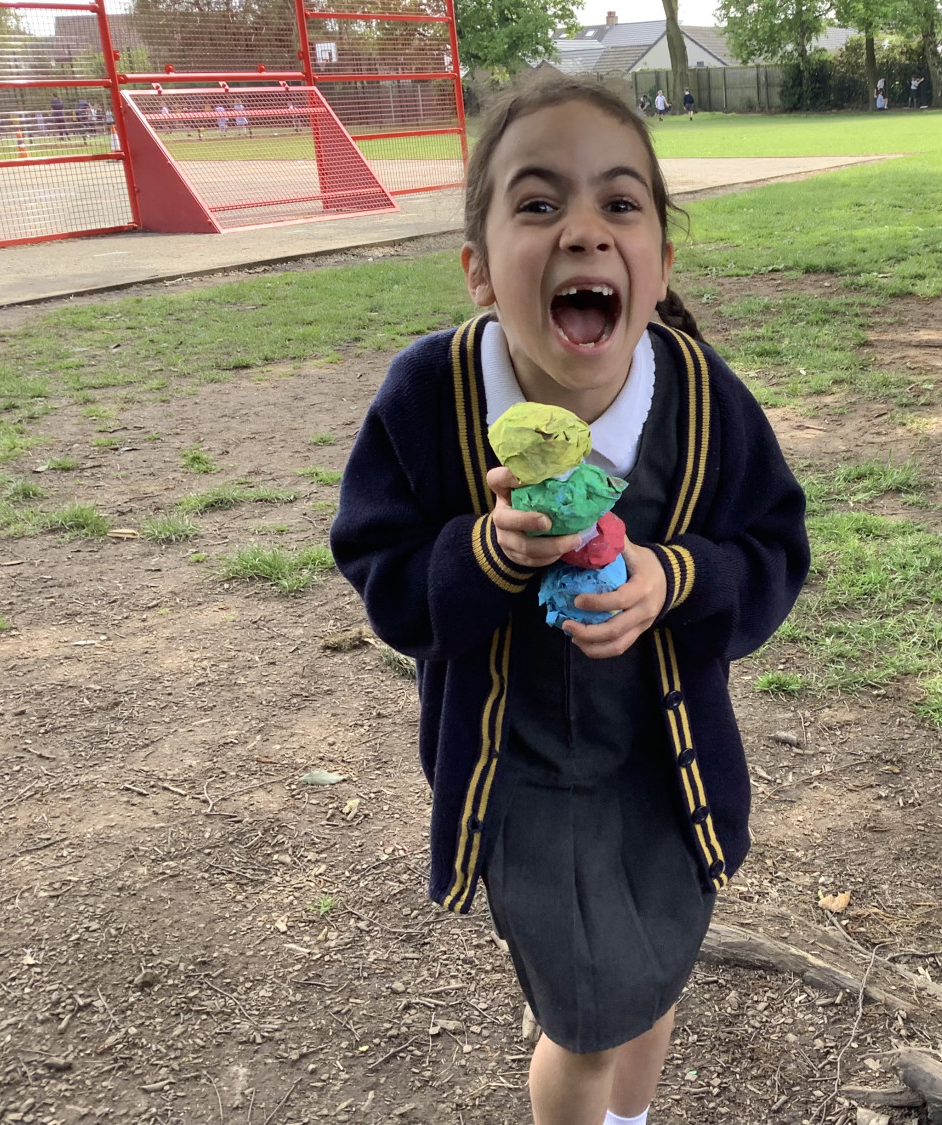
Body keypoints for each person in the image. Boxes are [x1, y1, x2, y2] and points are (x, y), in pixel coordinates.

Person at [329, 73, 809, 1125]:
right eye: (540, 202)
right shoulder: (429, 397)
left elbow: (775, 547)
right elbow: (378, 569)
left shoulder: (705, 398)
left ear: (661, 263)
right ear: (478, 268)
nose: (583, 230)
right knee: (588, 1021)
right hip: (523, 776)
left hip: (664, 767)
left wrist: (671, 578)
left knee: (653, 981)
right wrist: (487, 552)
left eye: (620, 203)